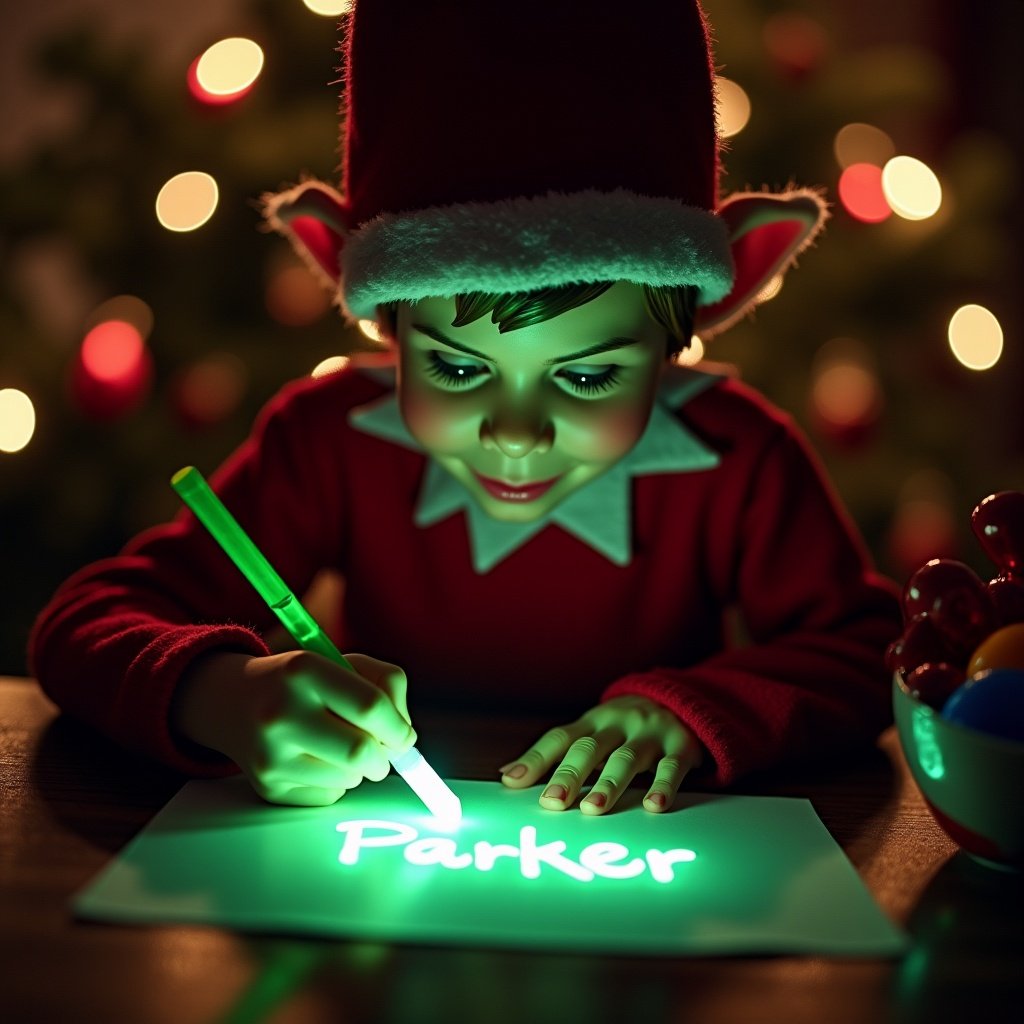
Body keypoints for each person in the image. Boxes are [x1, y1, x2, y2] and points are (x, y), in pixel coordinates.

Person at [29, 0, 902, 815]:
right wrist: (217, 692)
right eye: (454, 368)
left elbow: (869, 652)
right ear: (381, 321)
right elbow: (84, 623)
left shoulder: (737, 460)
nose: (514, 433)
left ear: (687, 329)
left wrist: (693, 713)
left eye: (588, 377)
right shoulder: (326, 443)